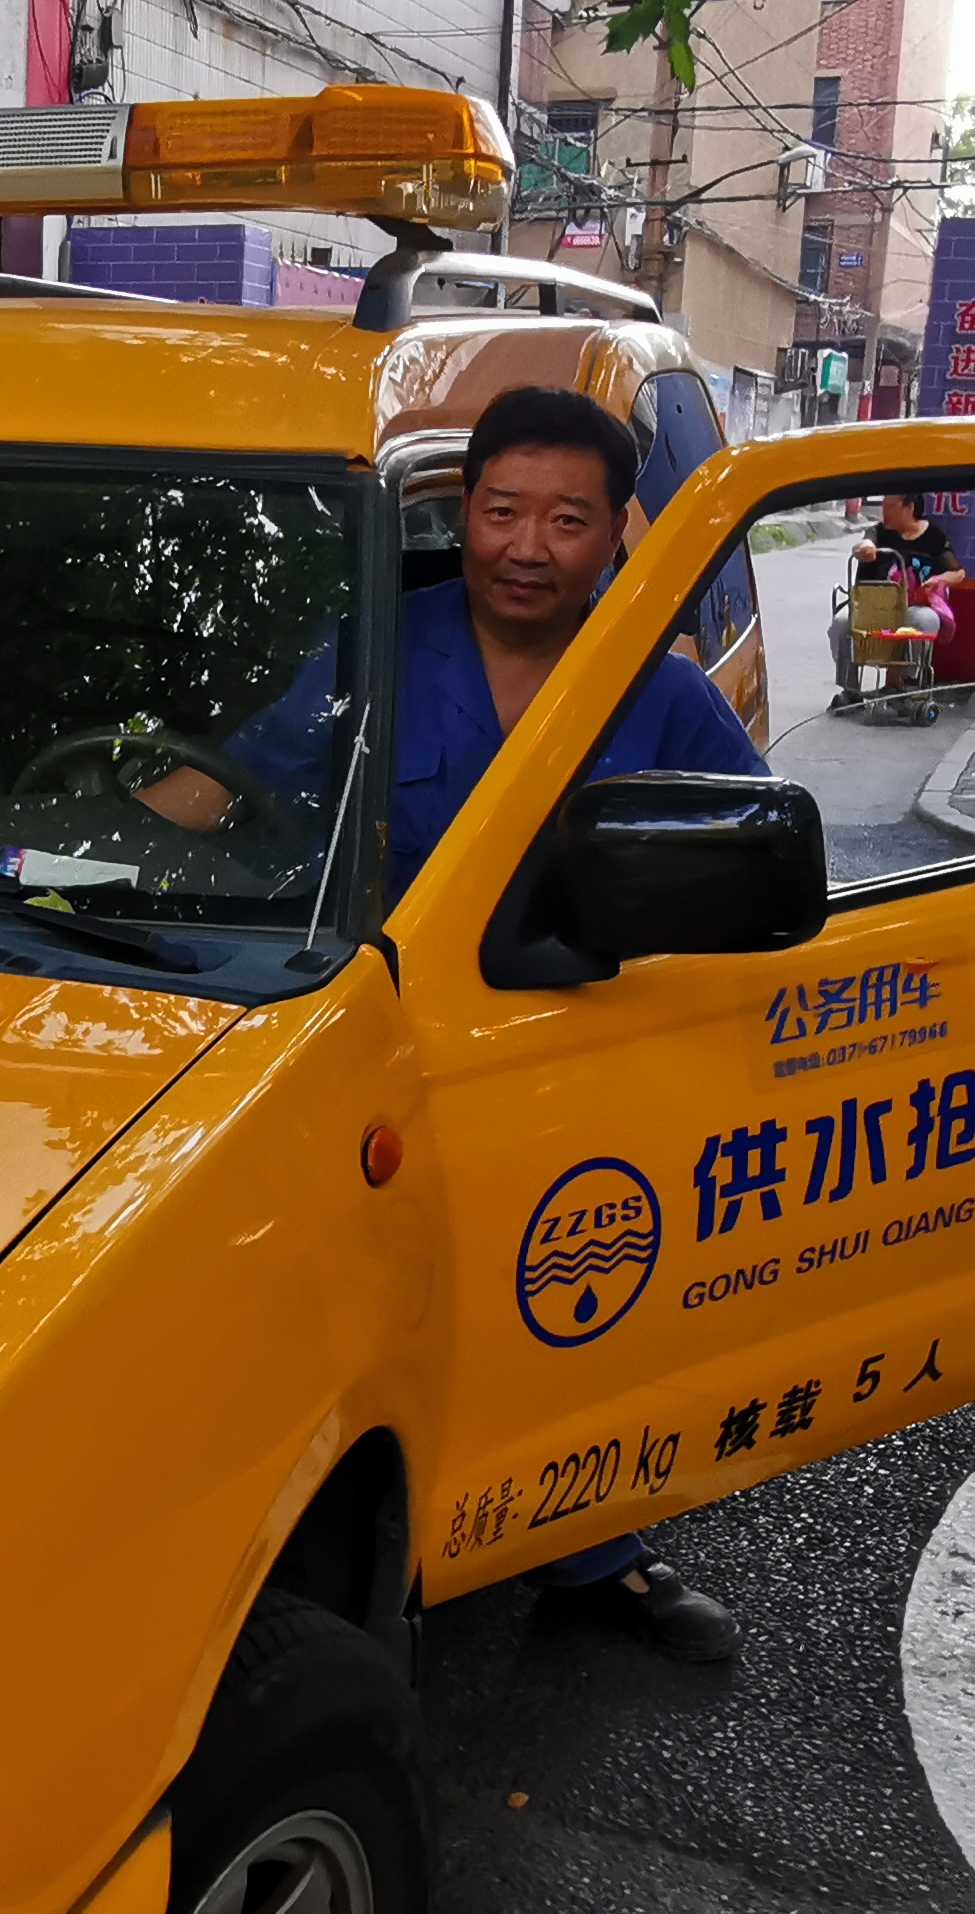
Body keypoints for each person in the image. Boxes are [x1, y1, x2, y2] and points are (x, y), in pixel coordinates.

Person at [163, 387, 755, 1663]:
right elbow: (230, 786)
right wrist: (89, 855)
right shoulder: (375, 650)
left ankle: (595, 1551)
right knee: (386, 1313)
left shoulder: (659, 691)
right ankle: (386, 1540)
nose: (525, 548)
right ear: (464, 511)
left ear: (616, 532)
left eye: (566, 520)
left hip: (589, 1064)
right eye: (500, 511)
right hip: (388, 1052)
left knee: (585, 1303)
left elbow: (757, 865)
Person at [837, 492, 962, 699]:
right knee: (842, 622)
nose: (884, 513)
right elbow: (865, 543)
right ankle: (849, 689)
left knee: (924, 620)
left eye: (890, 507)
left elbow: (958, 573)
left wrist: (940, 580)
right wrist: (865, 548)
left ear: (909, 507)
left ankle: (904, 682)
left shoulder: (934, 538)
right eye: (883, 507)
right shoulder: (879, 532)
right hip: (874, 605)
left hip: (914, 604)